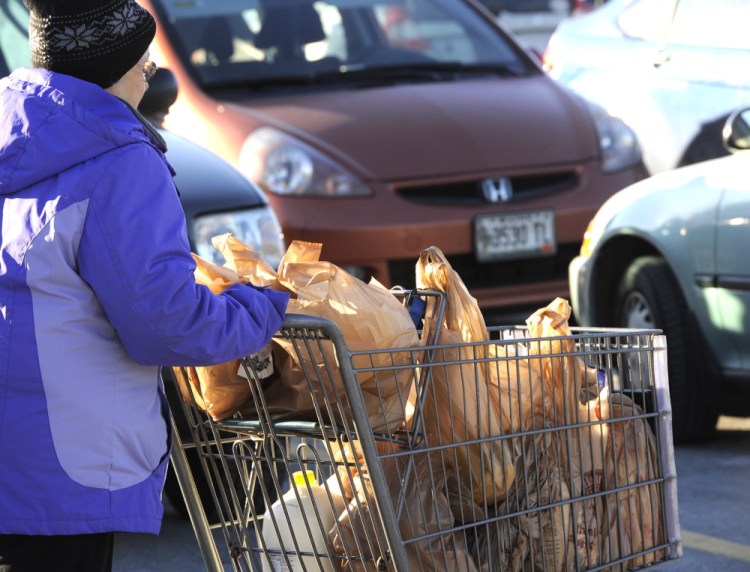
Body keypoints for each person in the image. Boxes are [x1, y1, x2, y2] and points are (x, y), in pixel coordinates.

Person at [0, 0, 289, 570]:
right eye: (143, 59)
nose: (151, 68)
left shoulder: (16, 140)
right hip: (67, 464)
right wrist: (263, 306)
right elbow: (167, 324)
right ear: (111, 68)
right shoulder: (120, 162)